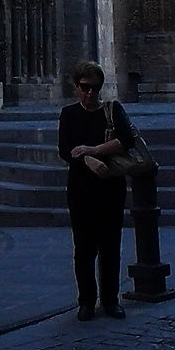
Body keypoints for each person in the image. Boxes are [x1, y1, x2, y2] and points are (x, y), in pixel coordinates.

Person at [57, 60, 133, 321]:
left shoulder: (112, 111)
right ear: (76, 86)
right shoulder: (69, 114)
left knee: (111, 247)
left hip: (110, 188)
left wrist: (91, 150)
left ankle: (111, 300)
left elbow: (127, 140)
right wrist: (86, 160)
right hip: (81, 190)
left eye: (95, 88)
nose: (90, 93)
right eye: (85, 87)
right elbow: (65, 149)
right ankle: (87, 301)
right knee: (84, 249)